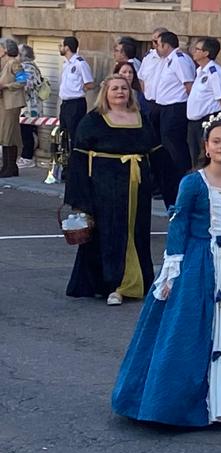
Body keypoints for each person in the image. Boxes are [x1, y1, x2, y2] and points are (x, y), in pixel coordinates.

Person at [111, 113, 221, 427]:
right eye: (217, 141)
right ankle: (180, 404)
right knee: (189, 329)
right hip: (199, 260)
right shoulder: (193, 183)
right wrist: (172, 269)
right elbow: (179, 225)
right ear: (206, 147)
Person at [64, 73, 161, 304]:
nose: (120, 92)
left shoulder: (141, 118)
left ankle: (137, 283)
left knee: (135, 234)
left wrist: (175, 190)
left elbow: (157, 154)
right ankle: (113, 285)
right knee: (110, 234)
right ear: (105, 93)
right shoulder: (93, 120)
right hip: (104, 189)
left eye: (124, 88)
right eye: (115, 88)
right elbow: (77, 161)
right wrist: (79, 198)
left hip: (137, 189)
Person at [146, 31, 196, 206]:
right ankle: (170, 184)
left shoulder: (180, 59)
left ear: (165, 45)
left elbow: (189, 86)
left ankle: (183, 184)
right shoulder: (168, 60)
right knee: (165, 148)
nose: (155, 47)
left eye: (157, 44)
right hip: (164, 108)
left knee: (176, 149)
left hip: (176, 108)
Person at [185, 37, 221, 165]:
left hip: (207, 121)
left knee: (204, 159)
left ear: (206, 53)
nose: (194, 51)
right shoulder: (200, 71)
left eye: (197, 49)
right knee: (194, 158)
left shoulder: (215, 73)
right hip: (194, 122)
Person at [57, 35, 95, 159]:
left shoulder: (80, 63)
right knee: (63, 134)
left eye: (61, 45)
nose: (60, 48)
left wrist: (79, 90)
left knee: (74, 135)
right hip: (65, 103)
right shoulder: (66, 64)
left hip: (76, 103)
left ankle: (74, 164)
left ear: (67, 47)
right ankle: (64, 162)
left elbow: (89, 83)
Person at [18, 44, 49, 168]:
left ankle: (27, 157)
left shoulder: (27, 68)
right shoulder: (26, 67)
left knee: (27, 132)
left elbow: (25, 85)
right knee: (27, 131)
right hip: (27, 106)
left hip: (30, 107)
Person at [0, 38, 26, 178]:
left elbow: (22, 80)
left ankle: (11, 166)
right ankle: (6, 166)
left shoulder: (14, 63)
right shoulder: (4, 64)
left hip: (11, 103)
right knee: (4, 134)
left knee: (9, 134)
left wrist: (6, 86)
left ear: (5, 49)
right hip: (4, 103)